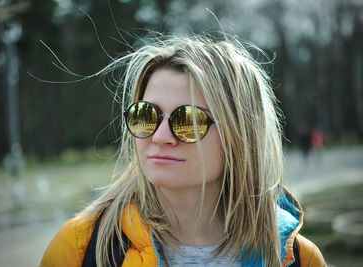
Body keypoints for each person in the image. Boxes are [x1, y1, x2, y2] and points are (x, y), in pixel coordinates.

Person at [40, 34, 326, 267]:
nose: (160, 136)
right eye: (146, 115)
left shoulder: (296, 258)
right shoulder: (79, 249)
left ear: (240, 136)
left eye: (188, 120)